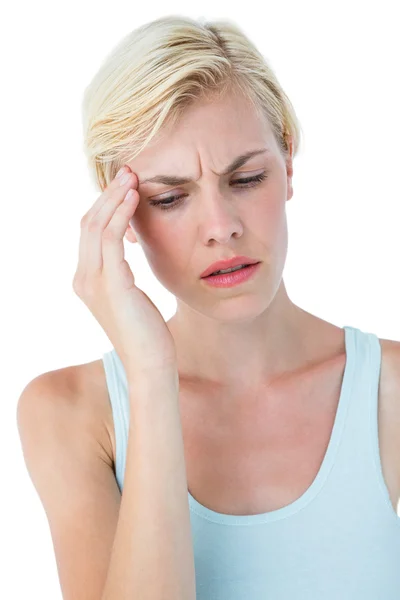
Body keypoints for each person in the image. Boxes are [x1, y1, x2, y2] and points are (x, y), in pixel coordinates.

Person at [17, 14, 400, 600]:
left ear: (288, 164)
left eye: (245, 179)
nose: (221, 228)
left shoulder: (390, 392)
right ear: (119, 213)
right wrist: (150, 376)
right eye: (169, 198)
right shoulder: (70, 415)